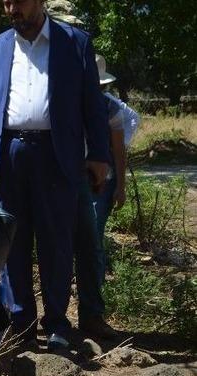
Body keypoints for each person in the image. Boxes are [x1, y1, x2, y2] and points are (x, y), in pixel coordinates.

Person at [0, 0, 111, 350]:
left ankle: (57, 324)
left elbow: (92, 104)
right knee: (12, 242)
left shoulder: (74, 42)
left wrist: (98, 155)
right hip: (8, 154)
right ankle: (21, 323)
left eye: (17, 2)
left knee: (56, 242)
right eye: (6, 3)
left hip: (57, 154)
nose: (11, 9)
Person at [74, 54, 139, 339]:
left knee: (93, 243)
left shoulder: (111, 108)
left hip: (101, 184)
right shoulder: (67, 104)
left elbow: (118, 153)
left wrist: (121, 187)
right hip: (70, 182)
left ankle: (91, 309)